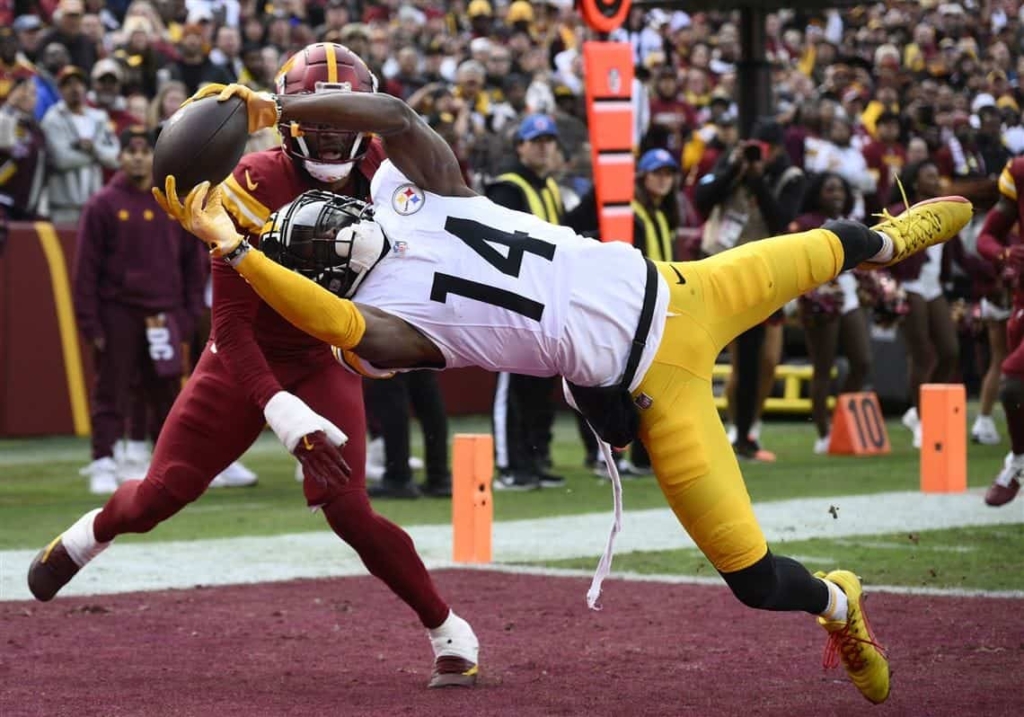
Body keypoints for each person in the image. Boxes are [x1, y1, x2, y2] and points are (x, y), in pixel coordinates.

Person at [156, 83, 970, 704]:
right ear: (329, 267)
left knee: (833, 245)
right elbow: (333, 311)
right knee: (753, 579)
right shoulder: (386, 324)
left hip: (686, 287)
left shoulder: (414, 195)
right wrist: (240, 253)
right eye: (319, 239)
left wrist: (276, 106)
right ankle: (837, 601)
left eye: (325, 216)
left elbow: (394, 117)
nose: (332, 223)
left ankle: (892, 237)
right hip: (654, 388)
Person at [27, 49, 480, 690]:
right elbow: (233, 328)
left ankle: (446, 628)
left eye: (339, 119)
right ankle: (86, 537)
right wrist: (283, 412)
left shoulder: (388, 173)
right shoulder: (246, 181)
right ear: (287, 121)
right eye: (316, 121)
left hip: (322, 355)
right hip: (247, 356)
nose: (329, 134)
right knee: (159, 496)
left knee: (350, 509)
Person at [71, 126, 206, 494]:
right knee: (111, 389)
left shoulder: (170, 202)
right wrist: (90, 322)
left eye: (144, 151)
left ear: (154, 157)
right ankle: (103, 460)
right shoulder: (103, 204)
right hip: (119, 312)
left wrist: (188, 314)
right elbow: (85, 269)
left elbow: (193, 265)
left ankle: (165, 462)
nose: (137, 157)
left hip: (164, 314)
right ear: (119, 157)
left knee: (163, 389)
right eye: (130, 151)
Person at [485, 113, 568, 491]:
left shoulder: (549, 187)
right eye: (536, 141)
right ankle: (509, 465)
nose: (543, 147)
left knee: (538, 386)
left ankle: (535, 459)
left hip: (546, 300)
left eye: (548, 141)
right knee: (511, 385)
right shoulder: (508, 187)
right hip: (515, 299)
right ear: (520, 146)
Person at [791, 172, 873, 454]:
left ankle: (842, 424)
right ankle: (823, 433)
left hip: (848, 294)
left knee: (862, 360)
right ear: (817, 194)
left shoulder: (852, 221)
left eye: (840, 189)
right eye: (829, 190)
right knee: (824, 368)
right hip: (820, 298)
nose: (836, 194)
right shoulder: (804, 224)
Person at [976, 156, 1024, 506]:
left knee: (1012, 379)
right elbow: (987, 236)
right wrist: (1006, 254)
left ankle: (1019, 461)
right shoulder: (1019, 172)